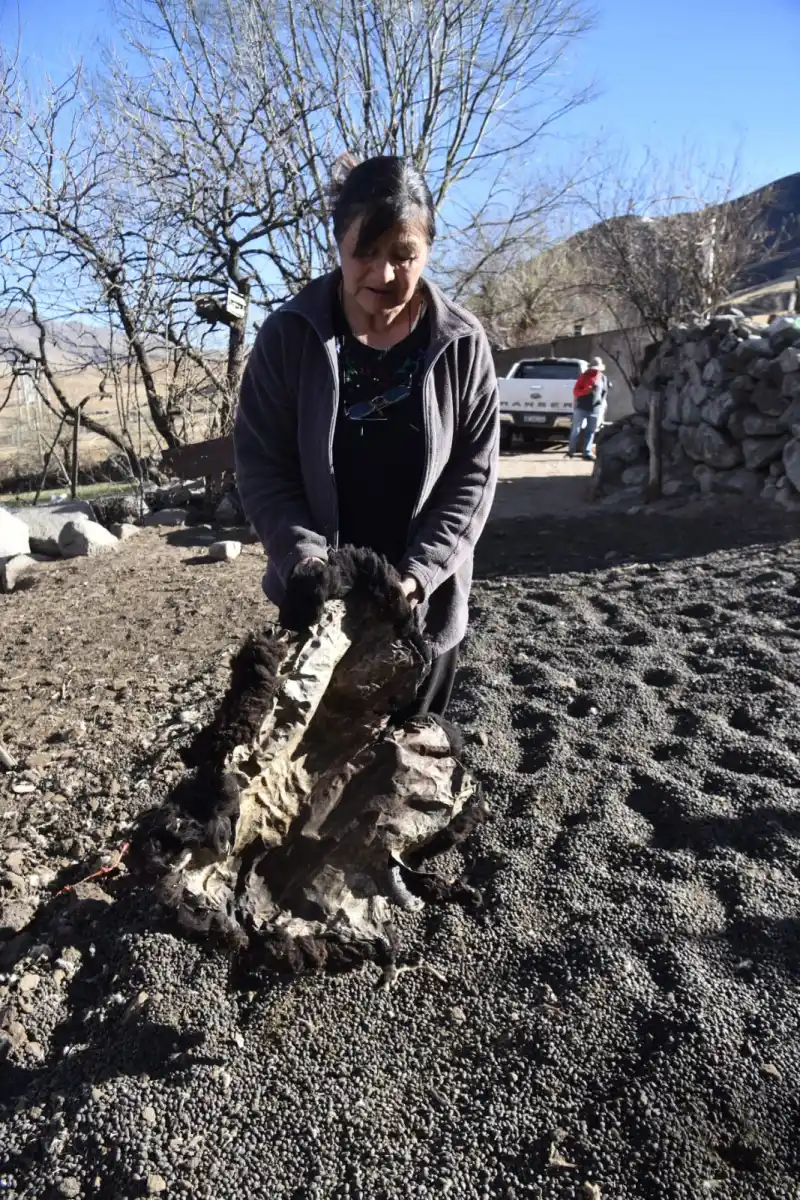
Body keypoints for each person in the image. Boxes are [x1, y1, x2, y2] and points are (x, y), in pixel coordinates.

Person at [234, 155, 500, 720]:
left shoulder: (462, 344)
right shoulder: (289, 337)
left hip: (423, 612)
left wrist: (416, 578)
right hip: (318, 610)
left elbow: (472, 478)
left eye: (404, 256)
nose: (383, 276)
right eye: (365, 254)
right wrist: (307, 564)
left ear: (429, 247)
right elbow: (263, 467)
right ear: (337, 243)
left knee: (408, 774)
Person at [568, 355, 608, 461]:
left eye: (597, 369)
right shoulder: (584, 376)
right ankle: (571, 451)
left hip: (595, 408)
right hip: (581, 407)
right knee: (576, 429)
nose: (595, 371)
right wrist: (586, 390)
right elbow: (576, 391)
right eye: (594, 369)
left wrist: (601, 403)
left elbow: (604, 392)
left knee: (591, 431)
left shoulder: (603, 377)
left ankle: (587, 452)